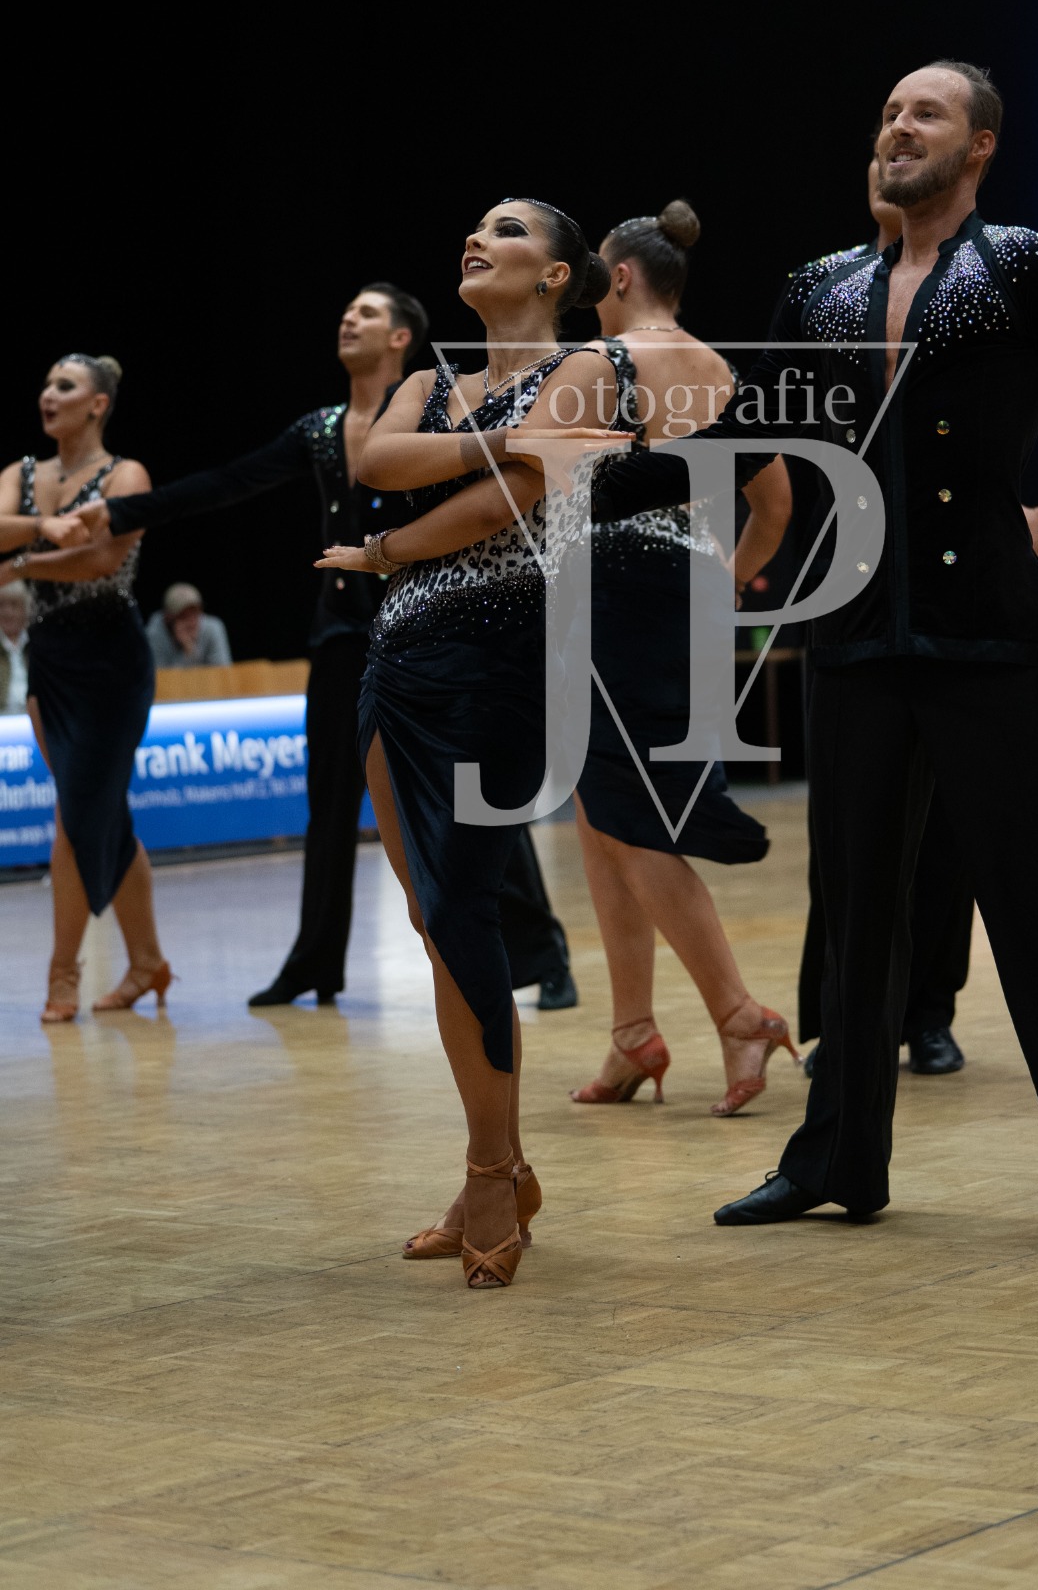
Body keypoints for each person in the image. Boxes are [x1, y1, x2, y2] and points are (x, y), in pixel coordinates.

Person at [598, 61, 1038, 1256]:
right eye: (888, 112)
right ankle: (835, 1159)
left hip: (992, 629)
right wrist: (590, 478)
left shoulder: (1026, 266)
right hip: (852, 635)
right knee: (854, 916)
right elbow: (745, 432)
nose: (897, 126)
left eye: (924, 113)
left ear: (978, 144)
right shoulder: (819, 287)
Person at [62, 284, 577, 1012]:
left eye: (366, 313)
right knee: (329, 802)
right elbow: (228, 482)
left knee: (474, 795)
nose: (348, 319)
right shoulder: (321, 428)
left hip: (429, 628)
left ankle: (544, 955)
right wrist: (120, 511)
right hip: (342, 635)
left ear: (400, 337)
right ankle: (314, 961)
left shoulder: (432, 407)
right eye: (346, 311)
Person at [319, 198, 624, 1290]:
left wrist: (386, 550)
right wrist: (496, 438)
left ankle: (490, 1173)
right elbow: (377, 457)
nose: (477, 239)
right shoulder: (430, 378)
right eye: (475, 228)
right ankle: (499, 1160)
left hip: (507, 659)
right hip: (397, 662)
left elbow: (515, 501)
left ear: (555, 274)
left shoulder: (584, 368)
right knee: (432, 919)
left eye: (506, 230)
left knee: (462, 909)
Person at [795, 160, 1038, 1080]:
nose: (890, 160)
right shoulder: (825, 290)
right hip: (853, 604)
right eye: (878, 147)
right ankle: (843, 1025)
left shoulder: (997, 279)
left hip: (966, 602)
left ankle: (928, 1011)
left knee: (949, 836)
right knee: (847, 842)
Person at [570, 199, 799, 1115]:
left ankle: (738, 1014)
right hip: (690, 599)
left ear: (622, 276)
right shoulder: (721, 371)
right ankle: (631, 1032)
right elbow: (775, 508)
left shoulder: (602, 364)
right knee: (604, 813)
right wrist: (726, 584)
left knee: (631, 818)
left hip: (616, 599)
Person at [0, 355, 172, 1022]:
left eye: (65, 386)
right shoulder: (20, 474)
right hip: (50, 660)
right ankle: (147, 962)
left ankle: (63, 973)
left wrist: (20, 561)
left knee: (77, 811)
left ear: (98, 403)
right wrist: (41, 528)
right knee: (102, 812)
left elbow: (102, 558)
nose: (48, 394)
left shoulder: (127, 475)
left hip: (111, 662)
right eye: (46, 384)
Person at [146, 582, 233, 669]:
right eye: (183, 616)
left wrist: (191, 651)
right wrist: (186, 652)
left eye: (195, 614)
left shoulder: (213, 628)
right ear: (168, 618)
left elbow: (222, 672)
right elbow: (157, 674)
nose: (191, 622)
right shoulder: (155, 632)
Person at [1, 579, 31, 713]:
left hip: (34, 717)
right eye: (1, 605)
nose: (7, 612)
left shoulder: (36, 645)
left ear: (25, 609)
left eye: (14, 605)